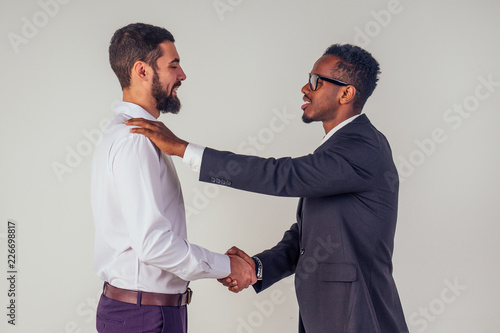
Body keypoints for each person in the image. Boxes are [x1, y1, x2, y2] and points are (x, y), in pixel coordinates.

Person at [126, 44, 408, 333]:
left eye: (316, 81)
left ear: (346, 93)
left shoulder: (362, 147)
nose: (305, 88)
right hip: (330, 316)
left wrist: (186, 150)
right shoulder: (341, 149)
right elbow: (307, 236)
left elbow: (282, 174)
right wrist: (257, 268)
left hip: (360, 317)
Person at [90, 23, 255, 333]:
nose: (182, 76)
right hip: (144, 315)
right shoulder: (134, 139)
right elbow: (153, 244)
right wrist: (225, 266)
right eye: (173, 65)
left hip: (143, 310)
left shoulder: (127, 132)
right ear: (142, 70)